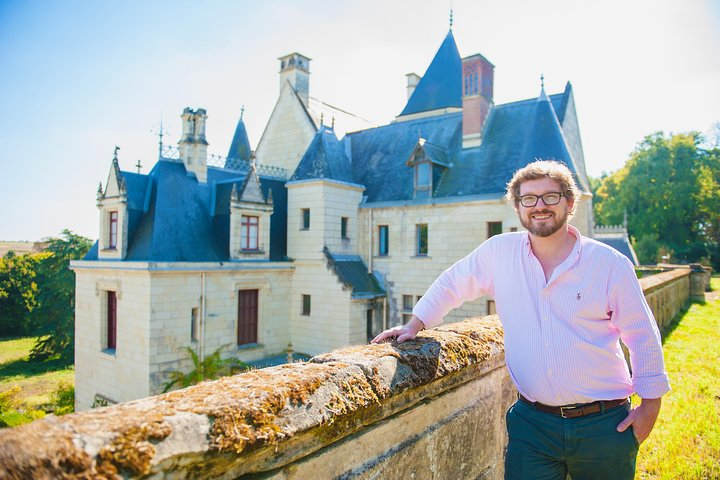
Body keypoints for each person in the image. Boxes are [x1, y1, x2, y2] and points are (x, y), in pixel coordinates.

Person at [372, 160, 669, 479]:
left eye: (550, 197)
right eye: (529, 198)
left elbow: (642, 334)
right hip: (533, 425)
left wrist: (650, 406)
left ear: (569, 203)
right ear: (518, 206)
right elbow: (452, 282)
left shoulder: (609, 264)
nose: (539, 206)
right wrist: (414, 324)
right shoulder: (499, 252)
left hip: (603, 424)